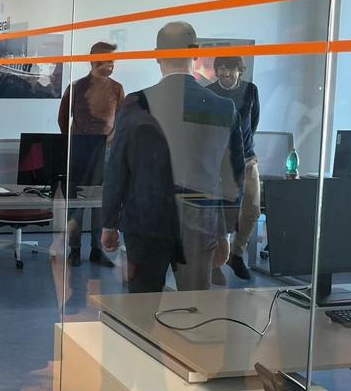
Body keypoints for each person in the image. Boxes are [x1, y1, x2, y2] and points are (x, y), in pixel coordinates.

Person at [101, 22, 244, 293]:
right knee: (194, 307)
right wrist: (225, 231)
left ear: (157, 55)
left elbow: (117, 168)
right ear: (196, 53)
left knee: (142, 307)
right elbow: (234, 176)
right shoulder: (223, 107)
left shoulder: (136, 104)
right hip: (200, 221)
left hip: (145, 220)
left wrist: (109, 222)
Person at [57, 41, 125, 267]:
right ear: (93, 60)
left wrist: (111, 145)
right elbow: (62, 119)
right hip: (79, 154)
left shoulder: (117, 89)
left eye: (113, 60)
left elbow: (122, 121)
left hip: (106, 155)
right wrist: (74, 144)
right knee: (76, 204)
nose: (111, 64)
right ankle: (74, 250)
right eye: (106, 59)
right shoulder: (76, 87)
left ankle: (97, 249)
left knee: (102, 205)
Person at [206, 55, 261, 284]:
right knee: (220, 214)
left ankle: (237, 254)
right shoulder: (208, 92)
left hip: (247, 159)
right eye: (221, 69)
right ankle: (216, 261)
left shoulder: (251, 90)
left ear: (240, 70)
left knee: (252, 209)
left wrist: (242, 147)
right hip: (218, 161)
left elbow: (253, 122)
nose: (226, 74)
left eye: (231, 69)